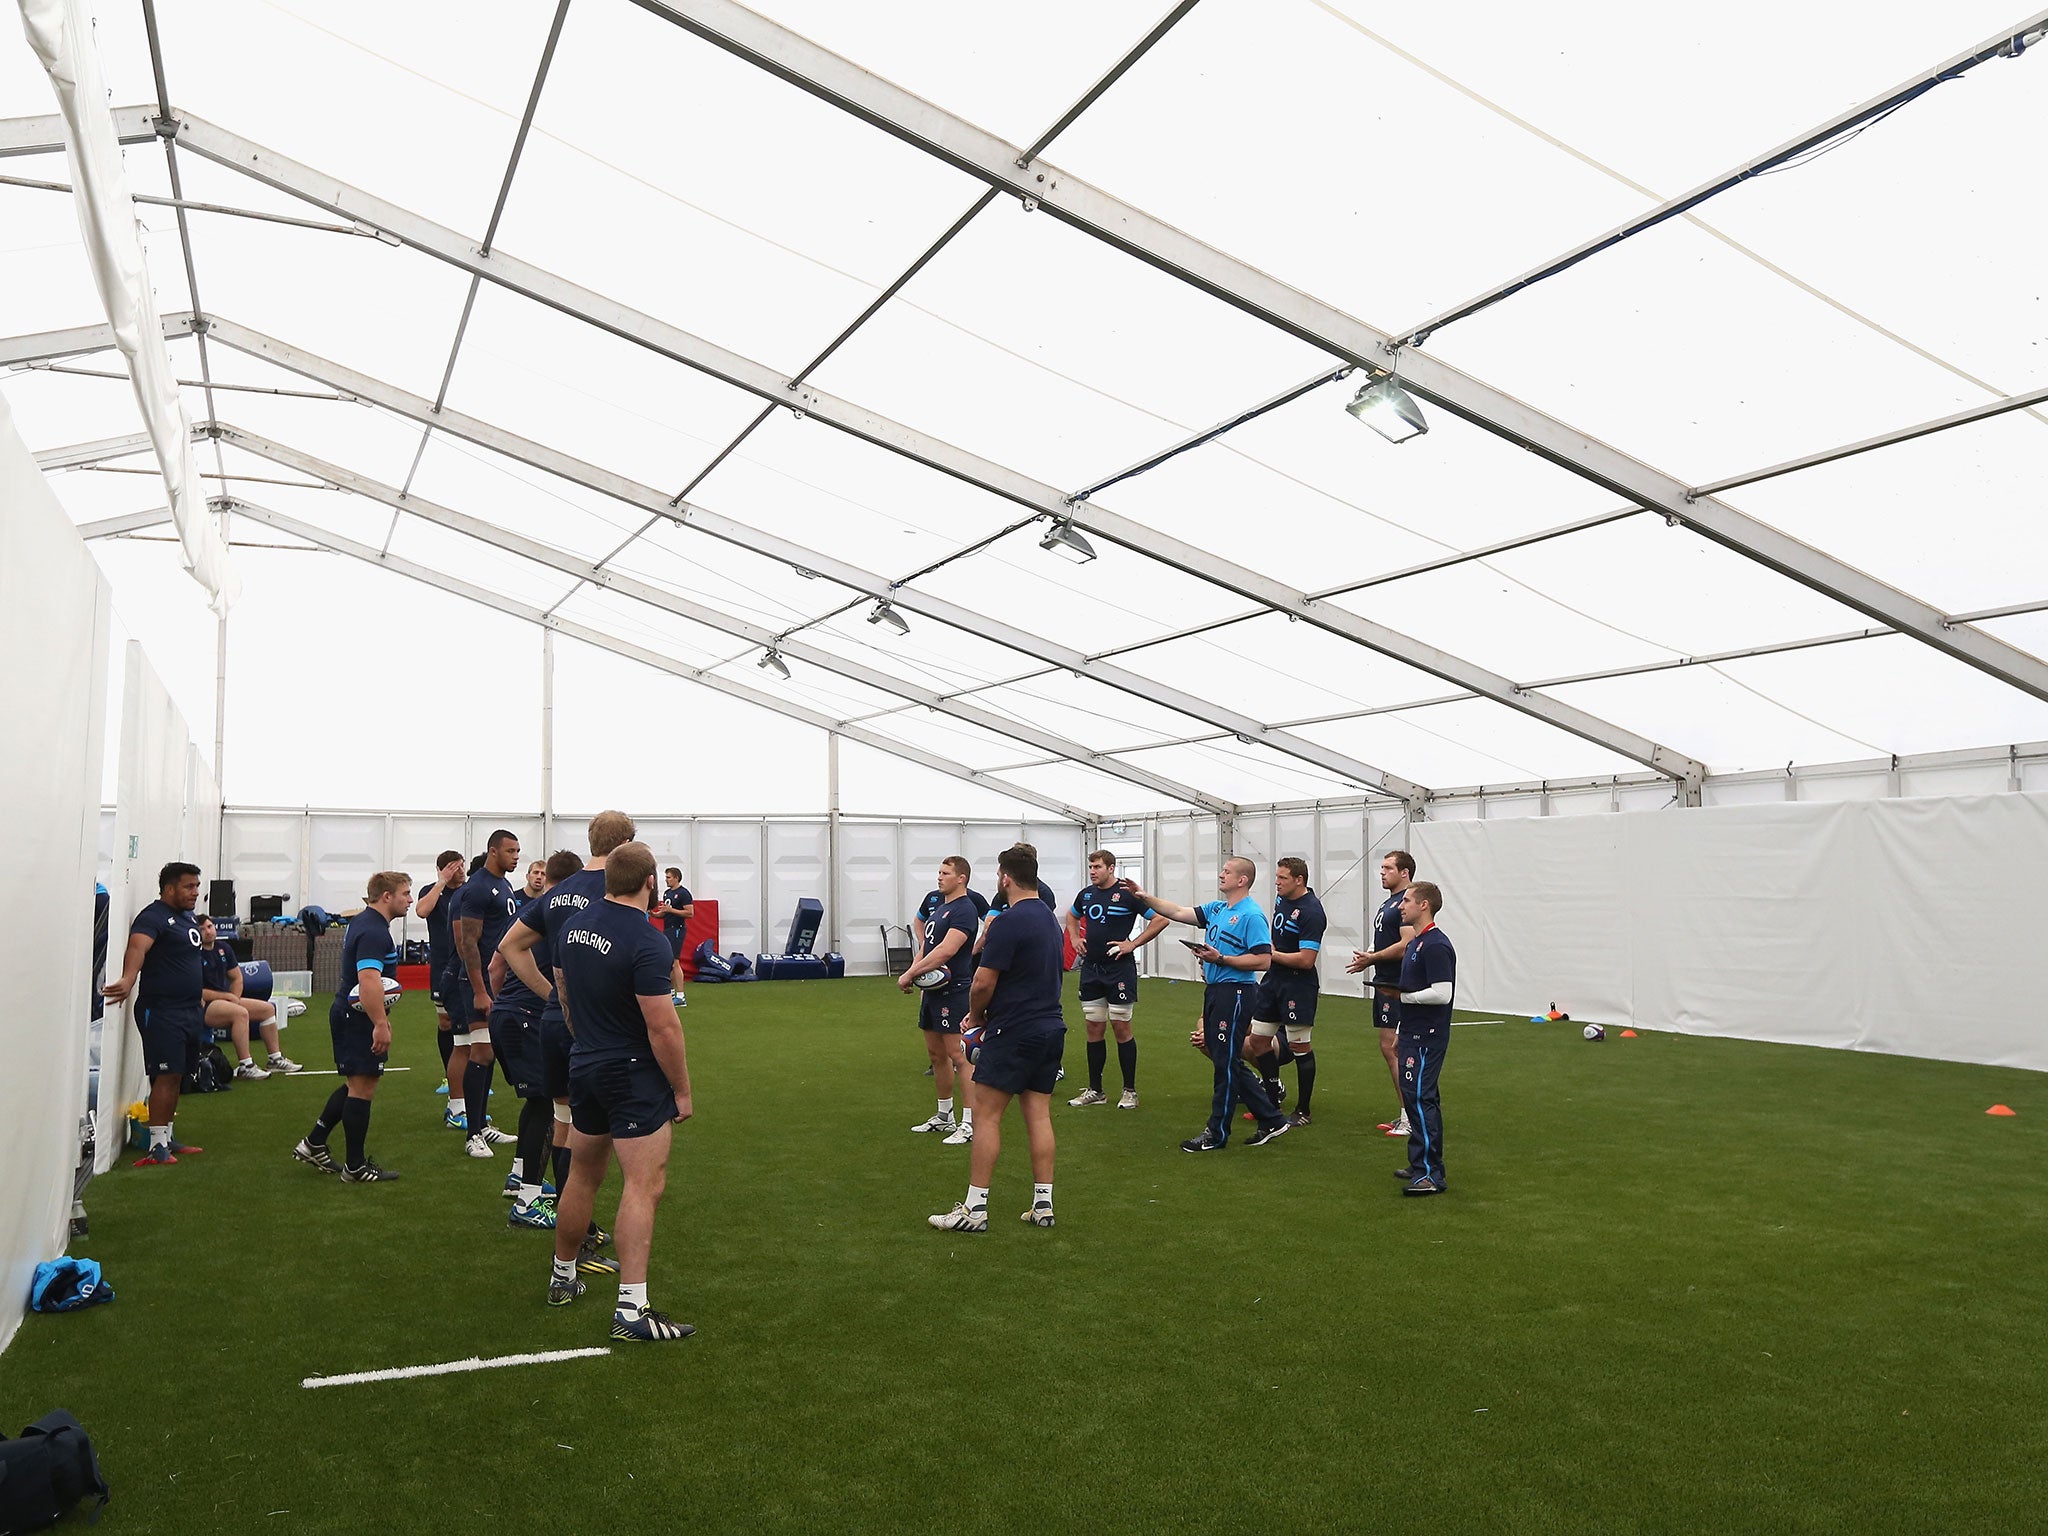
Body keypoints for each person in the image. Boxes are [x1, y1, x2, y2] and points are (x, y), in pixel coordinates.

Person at [547, 841, 695, 1342]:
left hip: (585, 1062)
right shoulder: (648, 941)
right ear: (651, 882)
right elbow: (664, 1029)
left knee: (583, 1175)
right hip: (631, 1074)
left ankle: (562, 1278)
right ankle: (632, 1310)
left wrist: (585, 1043)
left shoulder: (572, 926)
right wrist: (683, 1091)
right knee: (643, 1185)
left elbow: (563, 991)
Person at [502, 810, 639, 1278]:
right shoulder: (616, 891)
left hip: (555, 1026)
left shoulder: (558, 893)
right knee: (593, 1145)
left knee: (563, 1122)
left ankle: (572, 1239)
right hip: (600, 1032)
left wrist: (550, 997)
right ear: (624, 843)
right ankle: (578, 1241)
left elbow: (509, 947)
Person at [929, 846, 1067, 1232]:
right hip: (1051, 1028)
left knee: (987, 1115)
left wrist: (976, 1018)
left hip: (1014, 1030)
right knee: (1038, 1115)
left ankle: (974, 1211)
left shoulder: (1008, 921)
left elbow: (982, 982)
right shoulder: (1049, 919)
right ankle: (1043, 1205)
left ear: (1005, 878)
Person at [1124, 857, 1290, 1152]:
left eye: (1227, 871)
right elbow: (1176, 911)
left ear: (1242, 880)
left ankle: (1217, 1132)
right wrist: (1143, 895)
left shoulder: (1251, 915)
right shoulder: (1217, 909)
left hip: (1236, 993)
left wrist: (1221, 959)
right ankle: (1272, 1118)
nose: (1221, 874)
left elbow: (1264, 959)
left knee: (1224, 1064)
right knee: (1224, 1059)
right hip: (1216, 991)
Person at [293, 872, 412, 1182]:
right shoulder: (375, 931)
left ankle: (313, 1143)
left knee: (356, 1084)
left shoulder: (364, 922)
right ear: (387, 896)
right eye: (405, 893)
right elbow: (369, 980)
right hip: (356, 1018)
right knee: (362, 1087)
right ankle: (355, 1168)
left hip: (350, 1014)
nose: (410, 900)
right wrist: (380, 1024)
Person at [490, 850, 583, 1227]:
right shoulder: (561, 914)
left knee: (537, 1103)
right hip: (528, 1016)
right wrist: (549, 998)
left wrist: (501, 1006)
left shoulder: (532, 911)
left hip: (509, 1015)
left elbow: (497, 963)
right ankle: (528, 1201)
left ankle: (520, 1178)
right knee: (547, 1106)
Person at [102, 862, 209, 1166]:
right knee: (165, 1074)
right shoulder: (153, 916)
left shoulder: (186, 918)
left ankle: (168, 1136)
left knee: (177, 1076)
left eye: (197, 886)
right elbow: (138, 948)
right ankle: (156, 1146)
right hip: (161, 1011)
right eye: (189, 886)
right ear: (170, 888)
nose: (196, 892)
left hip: (189, 1010)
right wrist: (127, 978)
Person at [1063, 849, 1167, 1109]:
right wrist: (1075, 938)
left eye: (1097, 867)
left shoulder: (1128, 893)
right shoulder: (1086, 894)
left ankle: (1129, 1091)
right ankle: (1095, 1090)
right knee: (1093, 1027)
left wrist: (1131, 944)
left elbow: (1160, 920)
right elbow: (1072, 915)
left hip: (1119, 970)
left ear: (1111, 868)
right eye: (1091, 867)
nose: (1092, 871)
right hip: (1091, 969)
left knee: (1121, 1027)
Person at [451, 830, 523, 1157]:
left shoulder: (504, 884)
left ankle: (481, 1125)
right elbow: (468, 944)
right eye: (510, 851)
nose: (516, 856)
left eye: (518, 851)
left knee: (489, 1052)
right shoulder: (477, 889)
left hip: (498, 981)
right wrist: (480, 990)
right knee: (480, 1053)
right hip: (476, 983)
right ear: (493, 852)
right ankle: (472, 1134)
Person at [902, 856, 980, 1144]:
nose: (939, 877)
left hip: (955, 991)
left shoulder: (964, 910)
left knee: (960, 1057)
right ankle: (944, 1117)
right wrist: (914, 972)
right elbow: (927, 945)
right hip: (932, 993)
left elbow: (947, 951)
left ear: (962, 878)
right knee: (936, 1057)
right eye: (939, 872)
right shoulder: (940, 907)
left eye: (945, 873)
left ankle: (969, 1123)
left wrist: (910, 973)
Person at [1347, 850, 1417, 1140]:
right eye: (1382, 867)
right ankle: (1406, 1113)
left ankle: (1411, 1118)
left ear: (1405, 872)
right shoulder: (1390, 902)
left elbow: (1407, 943)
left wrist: (1372, 958)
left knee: (1397, 1050)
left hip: (1399, 984)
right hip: (1385, 982)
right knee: (1389, 1048)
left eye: (1389, 868)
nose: (1382, 872)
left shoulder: (1407, 903)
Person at [1249, 858, 1325, 1126]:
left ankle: (1303, 1111)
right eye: (1277, 877)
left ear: (1299, 880)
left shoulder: (1311, 911)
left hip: (1298, 985)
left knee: (1299, 1046)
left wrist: (1272, 954)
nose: (1277, 883)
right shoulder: (1283, 901)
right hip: (1274, 981)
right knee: (1258, 1040)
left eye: (1282, 878)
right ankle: (1271, 1101)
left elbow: (1306, 959)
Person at [1394, 881, 1455, 1197]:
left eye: (1406, 900)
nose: (1400, 905)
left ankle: (1431, 1174)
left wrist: (1406, 1001)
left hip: (1428, 1037)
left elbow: (1442, 993)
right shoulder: (1416, 943)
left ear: (1424, 905)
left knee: (1421, 1098)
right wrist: (1401, 1031)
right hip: (1412, 1034)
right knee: (1415, 1097)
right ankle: (1420, 1165)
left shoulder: (1435, 945)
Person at [199, 916, 301, 1079]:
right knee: (240, 1013)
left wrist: (234, 997)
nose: (208, 932)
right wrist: (229, 998)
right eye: (202, 929)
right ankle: (245, 1066)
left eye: (209, 927)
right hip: (205, 1006)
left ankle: (275, 1059)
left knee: (267, 1009)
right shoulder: (194, 954)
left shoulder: (223, 948)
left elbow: (237, 978)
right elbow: (198, 990)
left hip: (225, 1001)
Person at [415, 850, 466, 1101]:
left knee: (470, 1023)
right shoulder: (431, 890)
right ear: (442, 869)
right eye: (454, 867)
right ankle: (450, 1075)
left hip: (468, 966)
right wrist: (441, 882)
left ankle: (469, 1077)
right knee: (446, 1022)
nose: (460, 871)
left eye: (462, 866)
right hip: (442, 967)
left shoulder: (471, 890)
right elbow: (422, 911)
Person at [657, 867, 694, 1004]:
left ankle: (681, 996)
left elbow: (690, 913)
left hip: (677, 929)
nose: (666, 880)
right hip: (667, 929)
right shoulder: (667, 893)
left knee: (675, 962)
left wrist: (670, 910)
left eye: (669, 877)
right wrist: (654, 914)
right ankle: (672, 992)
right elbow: (665, 913)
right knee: (669, 962)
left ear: (676, 878)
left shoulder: (684, 893)